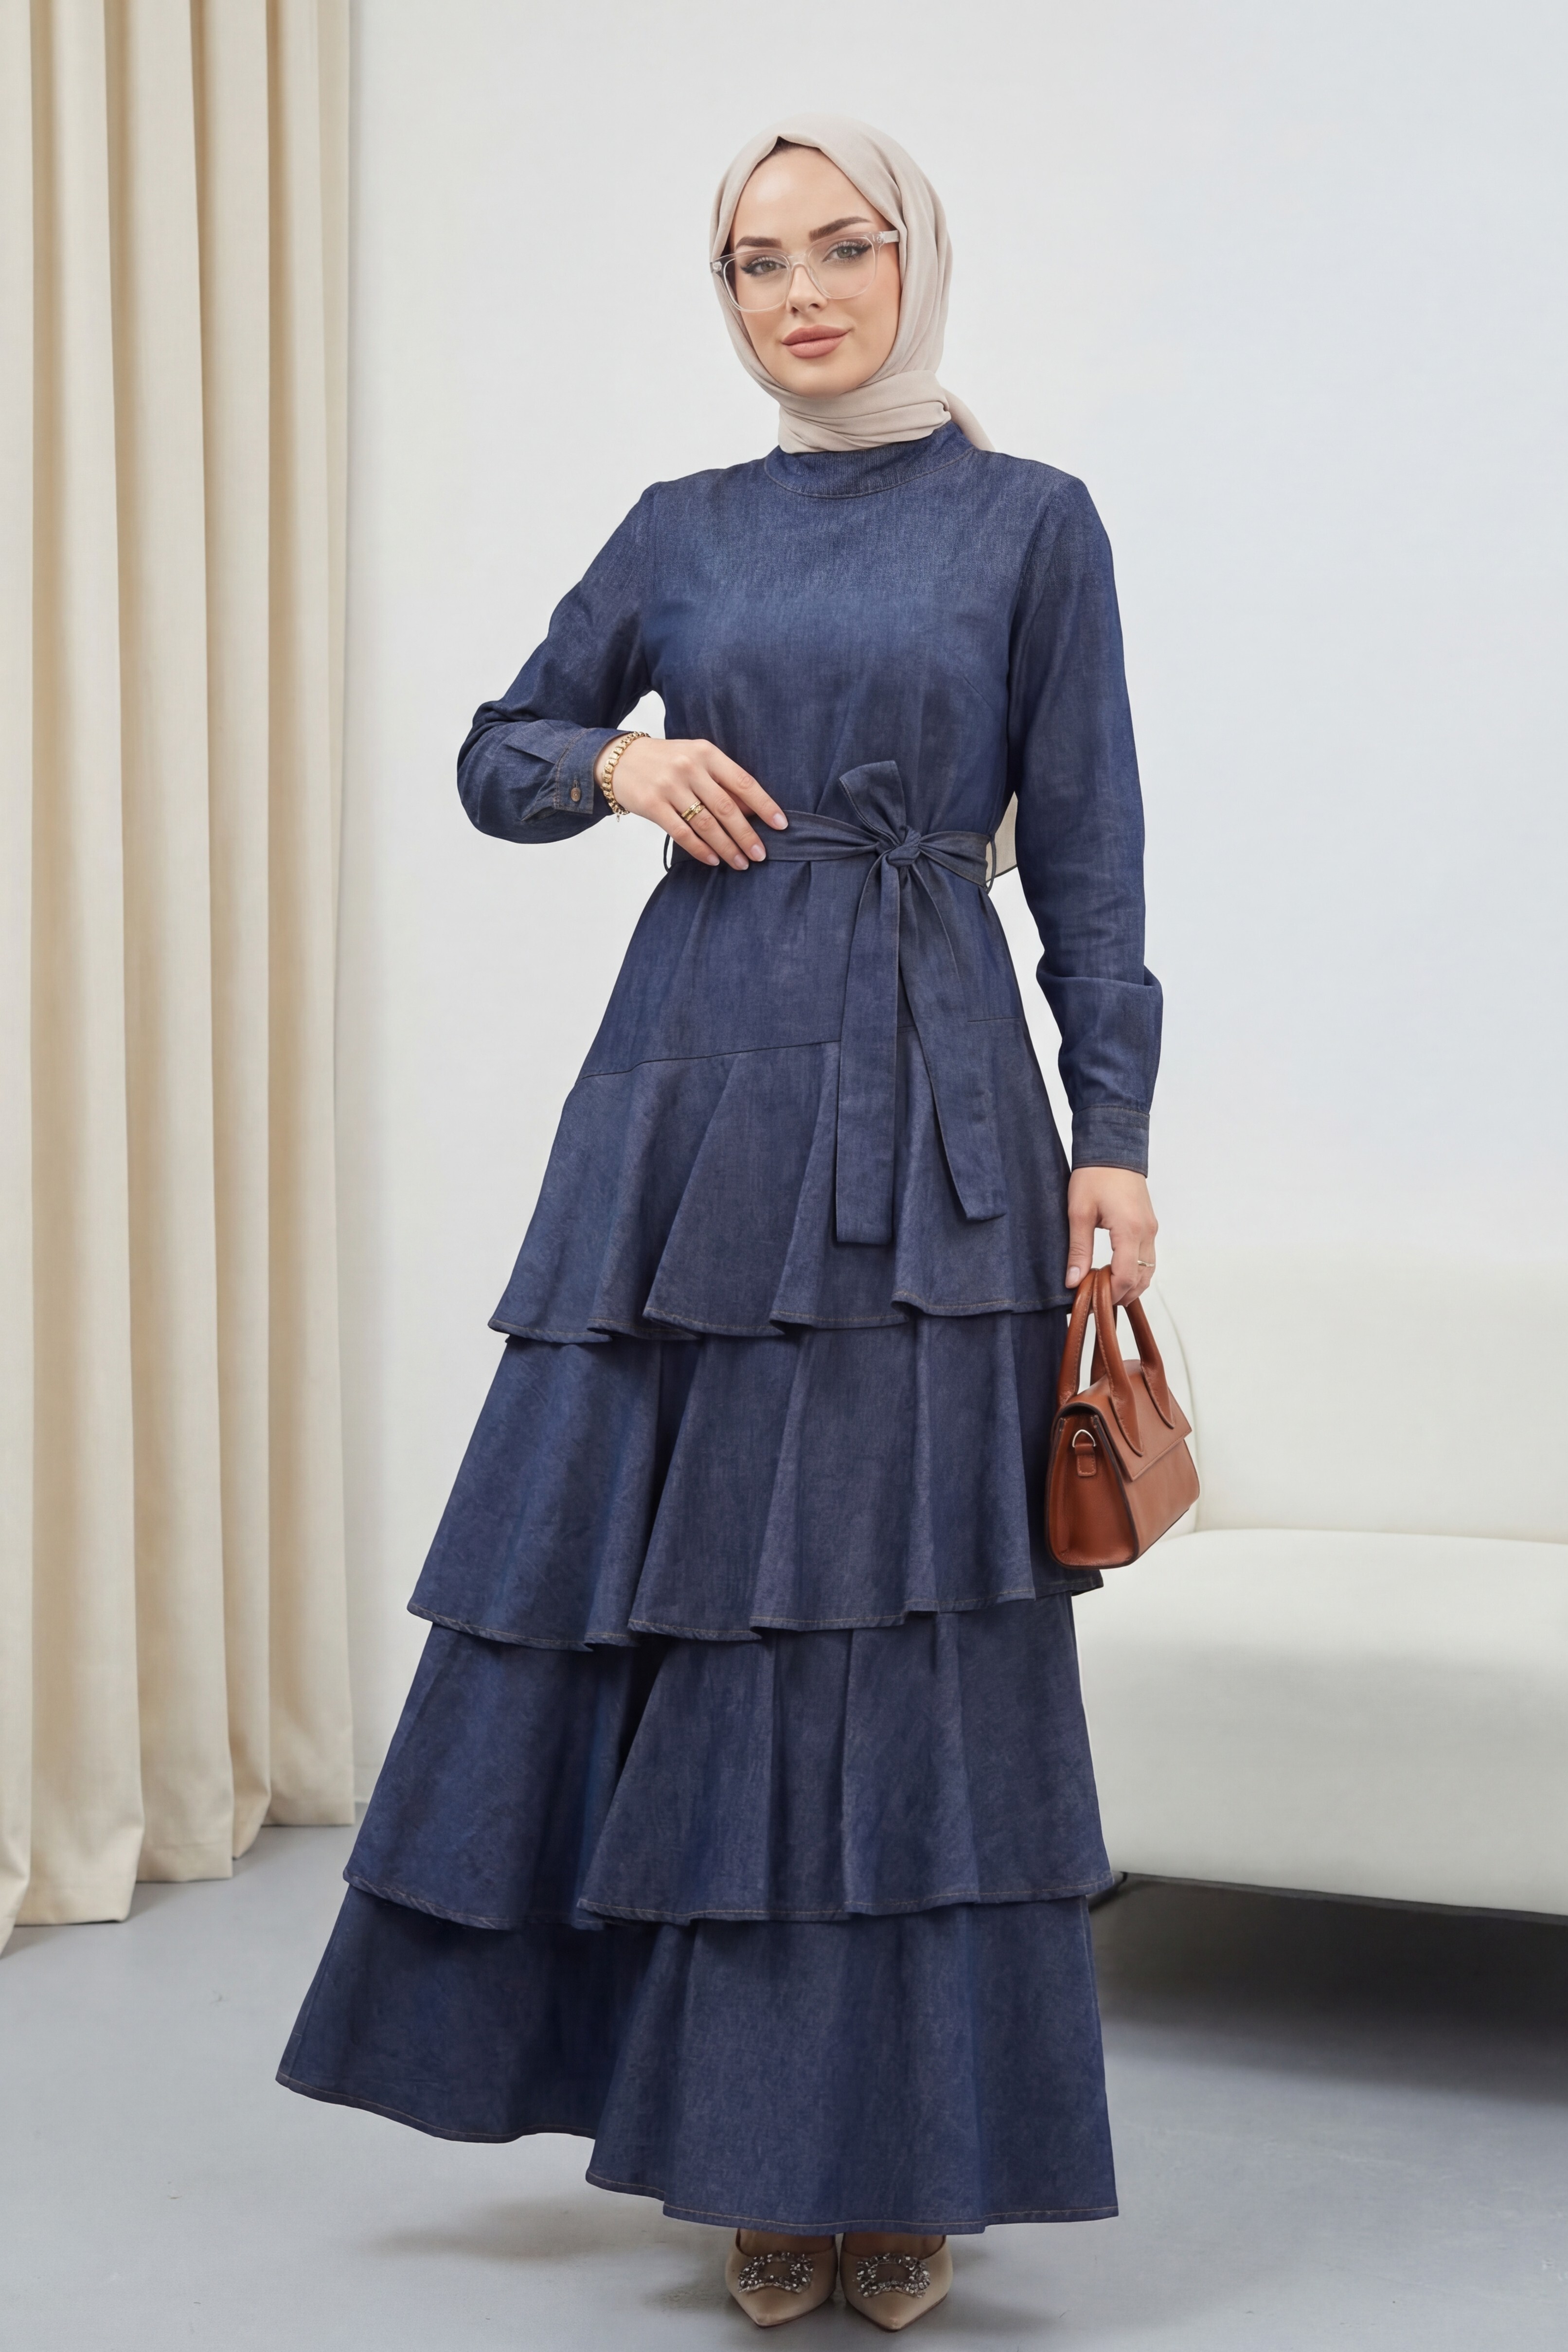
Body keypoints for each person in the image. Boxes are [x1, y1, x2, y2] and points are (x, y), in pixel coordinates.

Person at [279, 114, 1161, 2333]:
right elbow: (498, 746)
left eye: (841, 248)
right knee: (695, 1625)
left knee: (904, 1634)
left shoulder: (1030, 521)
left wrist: (1115, 1134)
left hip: (939, 1123)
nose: (801, 293)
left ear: (912, 259)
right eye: (757, 263)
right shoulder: (681, 528)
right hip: (693, 1115)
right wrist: (614, 765)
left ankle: (904, 2166)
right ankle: (759, 2159)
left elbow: (1091, 852)